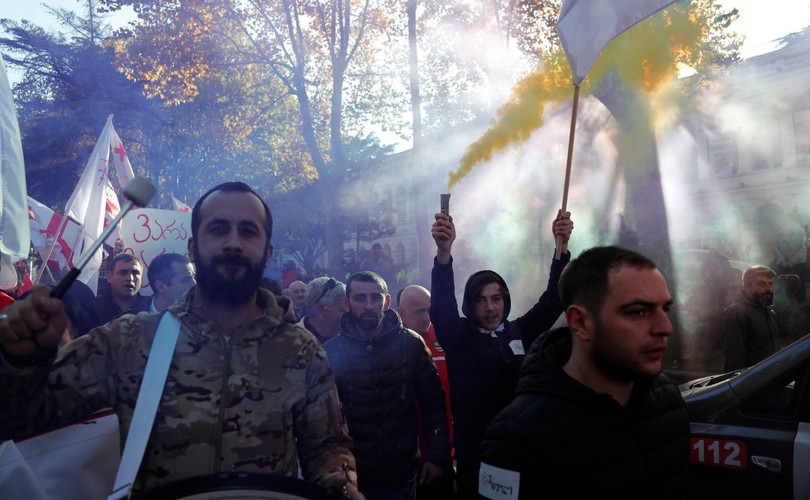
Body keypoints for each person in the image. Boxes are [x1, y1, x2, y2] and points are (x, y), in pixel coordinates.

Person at [0, 182, 360, 497]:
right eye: (218, 229)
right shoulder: (129, 340)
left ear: (267, 252)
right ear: (191, 248)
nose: (233, 242)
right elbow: (19, 419)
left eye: (248, 232)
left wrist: (338, 483)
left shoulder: (301, 349)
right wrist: (19, 362)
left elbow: (327, 444)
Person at [478, 246, 691, 499]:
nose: (665, 327)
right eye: (638, 312)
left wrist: (560, 248)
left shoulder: (667, 400)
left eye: (664, 309)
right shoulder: (514, 439)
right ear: (580, 322)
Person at [430, 209, 573, 499]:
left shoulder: (518, 331)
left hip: (521, 451)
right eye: (481, 300)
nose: (490, 307)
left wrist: (562, 247)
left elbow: (553, 300)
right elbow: (442, 307)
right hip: (478, 454)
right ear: (470, 306)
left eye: (496, 298)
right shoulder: (459, 336)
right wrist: (444, 253)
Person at [325, 271, 451, 500]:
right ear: (347, 303)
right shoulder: (330, 351)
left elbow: (433, 404)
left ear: (387, 301)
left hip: (400, 473)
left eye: (375, 297)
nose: (369, 305)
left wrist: (437, 456)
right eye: (360, 298)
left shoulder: (410, 344)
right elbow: (324, 420)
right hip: (353, 476)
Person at [397, 284, 454, 500]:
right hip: (404, 459)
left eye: (429, 310)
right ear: (401, 312)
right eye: (419, 311)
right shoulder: (388, 344)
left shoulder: (446, 338)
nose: (427, 317)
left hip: (443, 452)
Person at [722, 265, 781, 372]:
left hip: (770, 380)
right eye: (762, 284)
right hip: (752, 384)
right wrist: (745, 385)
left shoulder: (768, 312)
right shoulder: (736, 312)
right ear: (747, 287)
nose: (769, 289)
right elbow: (734, 358)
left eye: (770, 284)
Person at [93, 253, 151, 325]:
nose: (130, 278)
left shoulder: (151, 308)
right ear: (109, 277)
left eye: (135, 273)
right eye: (123, 272)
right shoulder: (93, 309)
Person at [300, 276, 347, 344]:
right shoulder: (291, 343)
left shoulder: (348, 341)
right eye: (341, 310)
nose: (348, 313)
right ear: (320, 311)